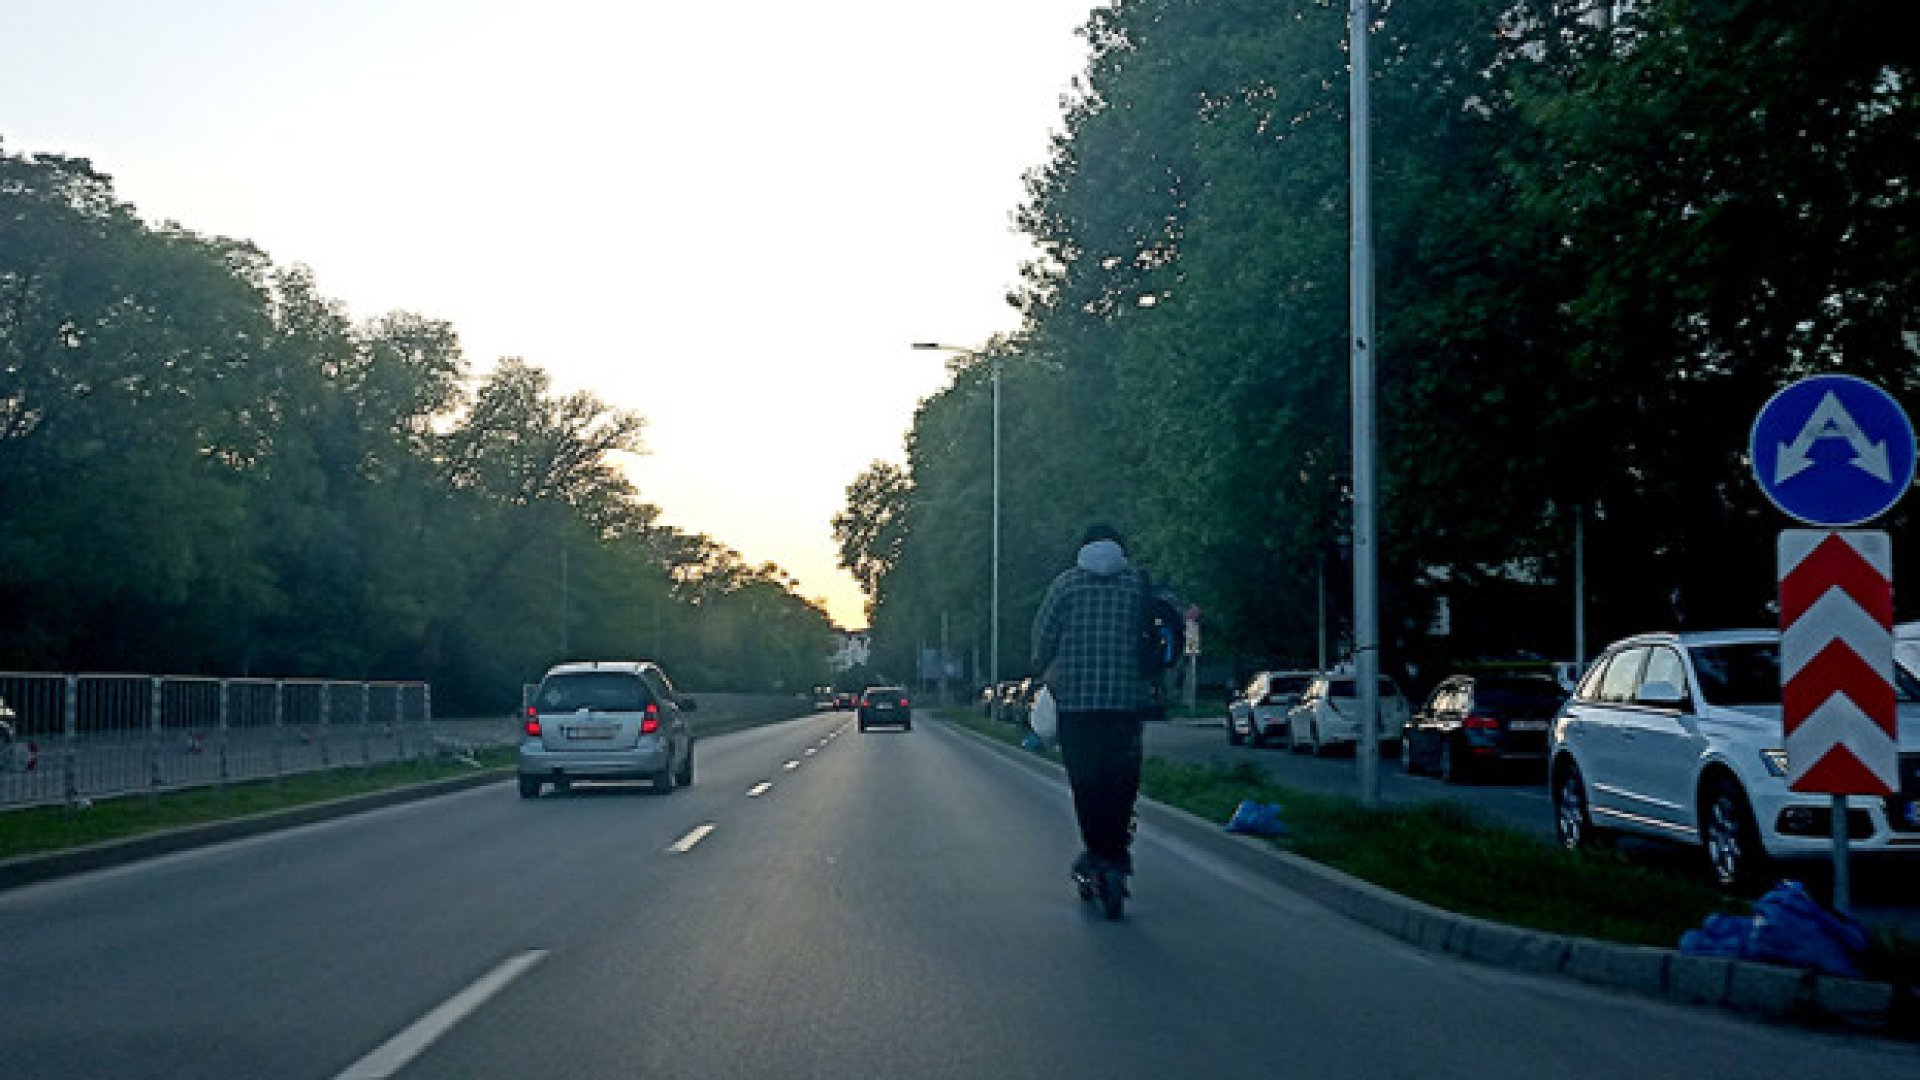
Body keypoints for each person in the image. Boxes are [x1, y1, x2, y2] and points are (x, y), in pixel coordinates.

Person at [1030, 523, 1152, 883]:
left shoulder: (1066, 584)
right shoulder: (1137, 583)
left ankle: (1097, 852)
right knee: (1122, 779)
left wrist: (1039, 665)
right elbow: (1157, 630)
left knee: (1086, 782)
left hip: (1077, 704)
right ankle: (1118, 851)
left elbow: (1044, 632)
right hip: (1126, 703)